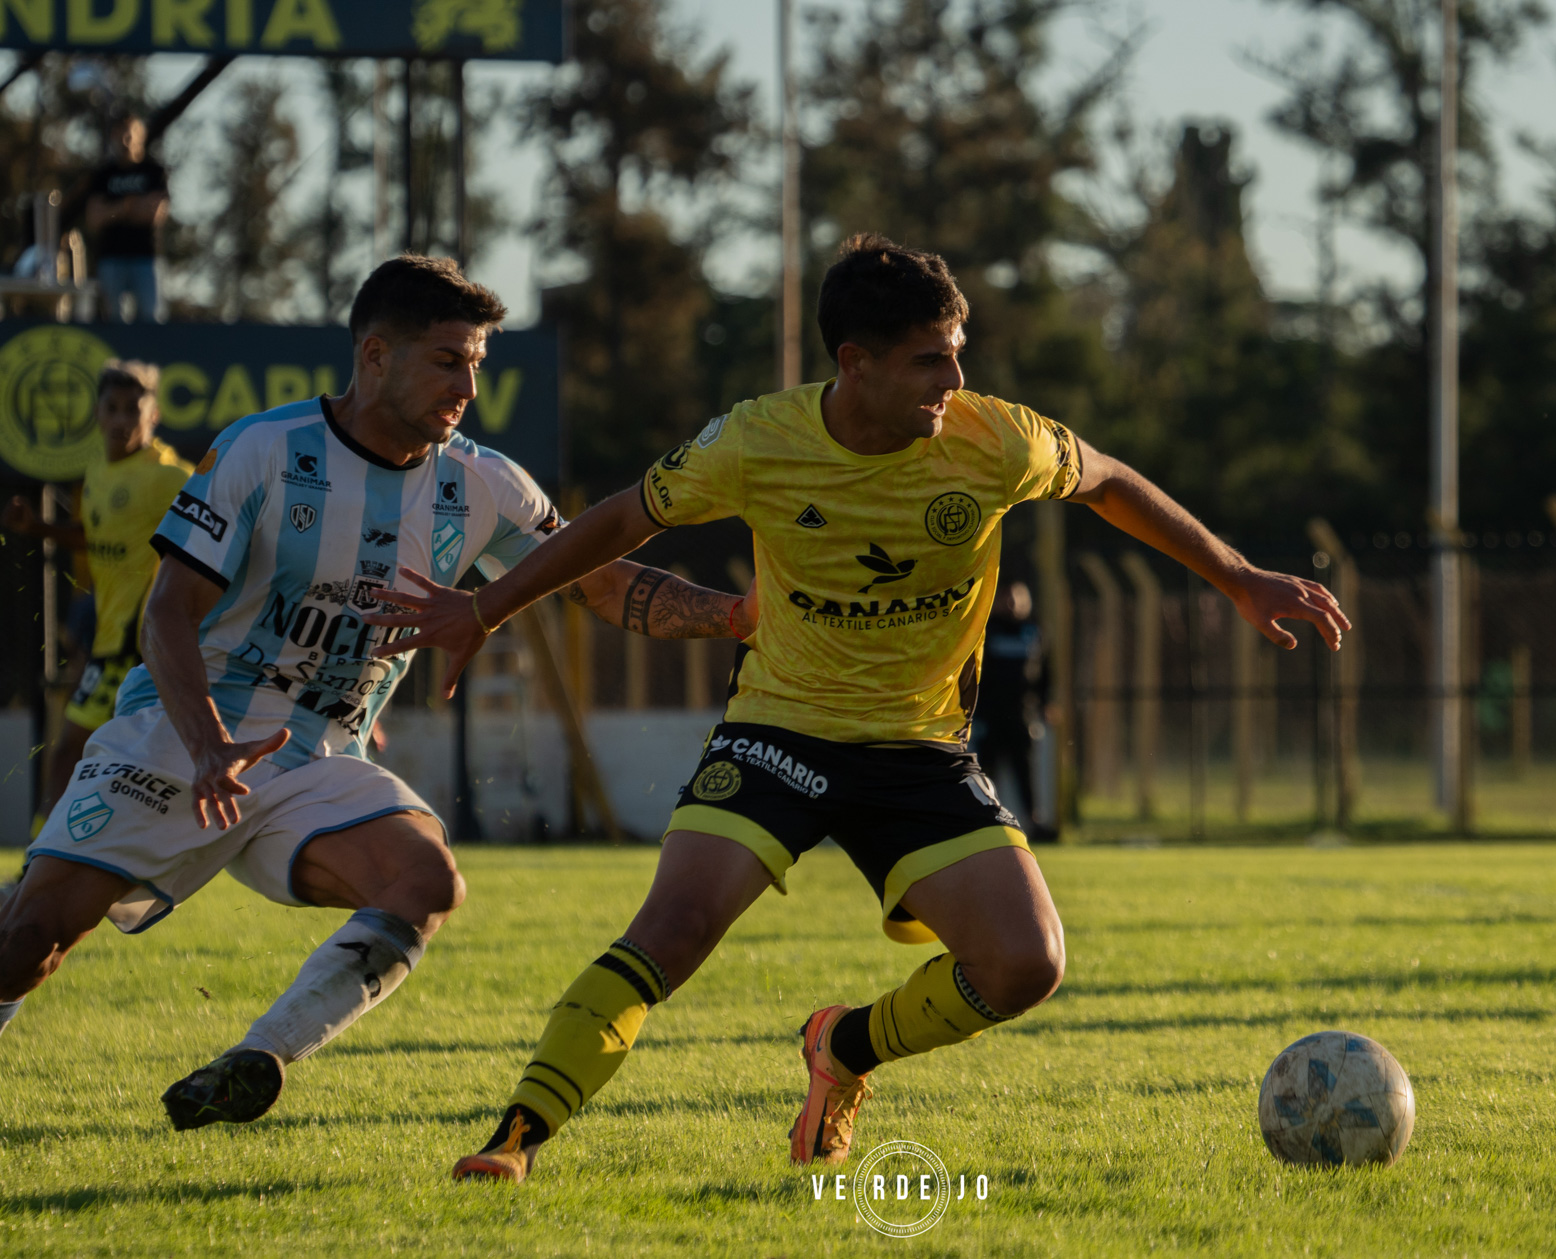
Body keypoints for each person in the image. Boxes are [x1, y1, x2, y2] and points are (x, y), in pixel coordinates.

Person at [374, 235, 1349, 1184]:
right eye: (930, 361)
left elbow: (1108, 481)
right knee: (672, 928)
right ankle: (515, 1136)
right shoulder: (758, 440)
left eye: (957, 355)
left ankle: (843, 1047)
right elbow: (626, 516)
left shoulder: (995, 441)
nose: (952, 381)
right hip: (779, 732)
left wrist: (1238, 576)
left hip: (920, 749)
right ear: (856, 363)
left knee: (1026, 964)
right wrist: (485, 606)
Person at [0, 256, 748, 1133]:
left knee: (425, 878)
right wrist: (206, 742)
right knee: (28, 943)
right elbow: (167, 613)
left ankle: (259, 1057)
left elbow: (606, 584)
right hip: (180, 735)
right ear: (375, 354)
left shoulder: (486, 484)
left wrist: (738, 615)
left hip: (318, 758)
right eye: (447, 360)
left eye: (476, 363)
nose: (468, 386)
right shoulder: (264, 449)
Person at [4, 361, 193, 834]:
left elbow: (223, 521)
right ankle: (59, 852)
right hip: (108, 642)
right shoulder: (98, 473)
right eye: (113, 408)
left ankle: (47, 854)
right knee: (91, 757)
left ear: (154, 415)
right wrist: (39, 528)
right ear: (97, 414)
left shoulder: (169, 477)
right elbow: (99, 536)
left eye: (133, 409)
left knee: (79, 753)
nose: (122, 420)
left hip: (139, 649)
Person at [974, 580, 1050, 839]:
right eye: (1006, 597)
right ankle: (982, 824)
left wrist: (1046, 703)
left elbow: (1045, 671)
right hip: (990, 715)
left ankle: (1033, 822)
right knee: (986, 772)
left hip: (1021, 715)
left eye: (1018, 597)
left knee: (1025, 772)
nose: (1012, 603)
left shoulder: (1033, 630)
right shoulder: (987, 630)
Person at [83, 114, 169, 323]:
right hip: (111, 258)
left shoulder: (154, 172)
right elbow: (94, 219)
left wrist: (112, 210)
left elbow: (154, 214)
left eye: (129, 134)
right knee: (113, 321)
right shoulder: (104, 175)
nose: (125, 140)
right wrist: (128, 206)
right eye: (120, 135)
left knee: (151, 319)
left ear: (141, 135)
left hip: (145, 258)